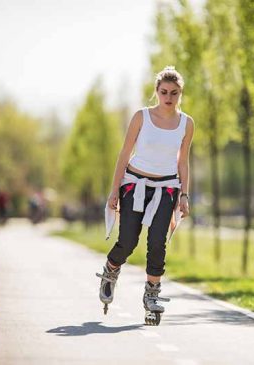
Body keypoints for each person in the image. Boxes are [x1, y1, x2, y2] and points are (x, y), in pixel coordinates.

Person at [96, 66, 194, 325]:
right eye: (164, 92)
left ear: (180, 93)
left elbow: (183, 162)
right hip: (134, 183)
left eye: (174, 93)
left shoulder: (187, 123)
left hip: (167, 187)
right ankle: (111, 270)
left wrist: (184, 194)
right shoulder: (141, 117)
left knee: (157, 242)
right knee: (128, 240)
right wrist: (114, 191)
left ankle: (152, 294)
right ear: (156, 92)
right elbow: (124, 154)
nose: (168, 97)